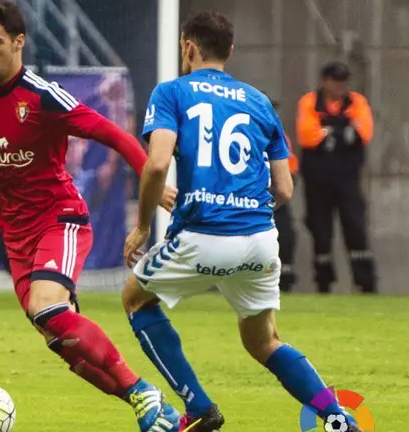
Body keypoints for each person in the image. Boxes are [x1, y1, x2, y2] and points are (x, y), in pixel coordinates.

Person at [0, 1, 180, 431]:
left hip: (61, 218)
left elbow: (113, 134)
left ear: (19, 42)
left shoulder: (42, 96)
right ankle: (147, 402)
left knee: (46, 307)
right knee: (59, 339)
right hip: (16, 236)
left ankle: (140, 389)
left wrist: (151, 178)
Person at [121, 11, 361, 432]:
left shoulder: (171, 92)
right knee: (264, 341)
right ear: (229, 50)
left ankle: (198, 407)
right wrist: (245, 211)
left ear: (187, 47)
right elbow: (284, 188)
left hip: (202, 234)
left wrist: (142, 225)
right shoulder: (258, 101)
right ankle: (338, 417)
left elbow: (157, 164)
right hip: (259, 239)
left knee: (136, 299)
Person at [296, 61, 376, 294]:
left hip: (348, 180)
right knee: (320, 232)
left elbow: (364, 132)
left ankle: (366, 283)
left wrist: (328, 133)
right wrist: (344, 132)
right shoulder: (310, 102)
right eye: (335, 80)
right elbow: (307, 136)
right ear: (325, 81)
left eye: (344, 81)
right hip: (317, 180)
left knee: (355, 228)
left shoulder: (356, 102)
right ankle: (323, 283)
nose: (340, 86)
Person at [269, 99, 300, 293]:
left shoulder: (279, 136)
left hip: (272, 195)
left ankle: (283, 281)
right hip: (247, 196)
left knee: (286, 235)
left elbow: (291, 169)